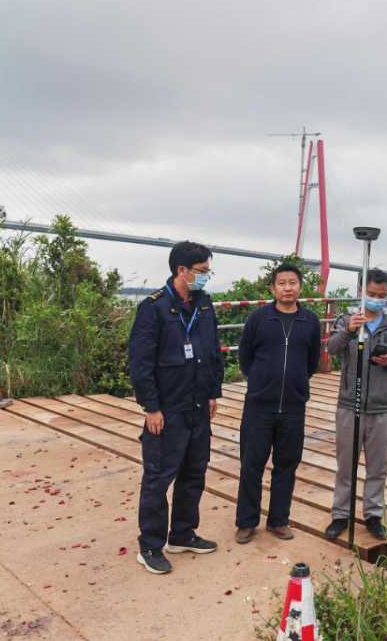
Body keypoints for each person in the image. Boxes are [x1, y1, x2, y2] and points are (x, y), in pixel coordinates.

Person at [128, 241, 224, 574]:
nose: (206, 276)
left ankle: (182, 533)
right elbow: (140, 362)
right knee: (158, 477)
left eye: (208, 270)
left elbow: (213, 351)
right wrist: (151, 407)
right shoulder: (154, 308)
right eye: (201, 271)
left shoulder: (204, 304)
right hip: (167, 409)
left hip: (198, 405)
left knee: (194, 472)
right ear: (181, 270)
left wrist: (212, 392)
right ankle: (150, 545)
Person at [234, 263, 322, 543]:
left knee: (287, 466)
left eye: (293, 282)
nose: (287, 288)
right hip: (259, 407)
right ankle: (247, 522)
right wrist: (259, 382)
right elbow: (245, 356)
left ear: (300, 287)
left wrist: (296, 382)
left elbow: (312, 360)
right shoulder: (259, 318)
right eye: (281, 283)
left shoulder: (310, 321)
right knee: (251, 466)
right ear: (272, 288)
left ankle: (278, 521)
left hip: (294, 407)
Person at [325, 269, 387, 541]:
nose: (376, 299)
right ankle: (340, 514)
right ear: (361, 290)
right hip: (349, 405)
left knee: (378, 466)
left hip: (381, 406)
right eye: (371, 294)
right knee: (345, 465)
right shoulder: (345, 320)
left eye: (381, 295)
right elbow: (331, 349)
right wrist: (349, 330)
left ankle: (373, 515)